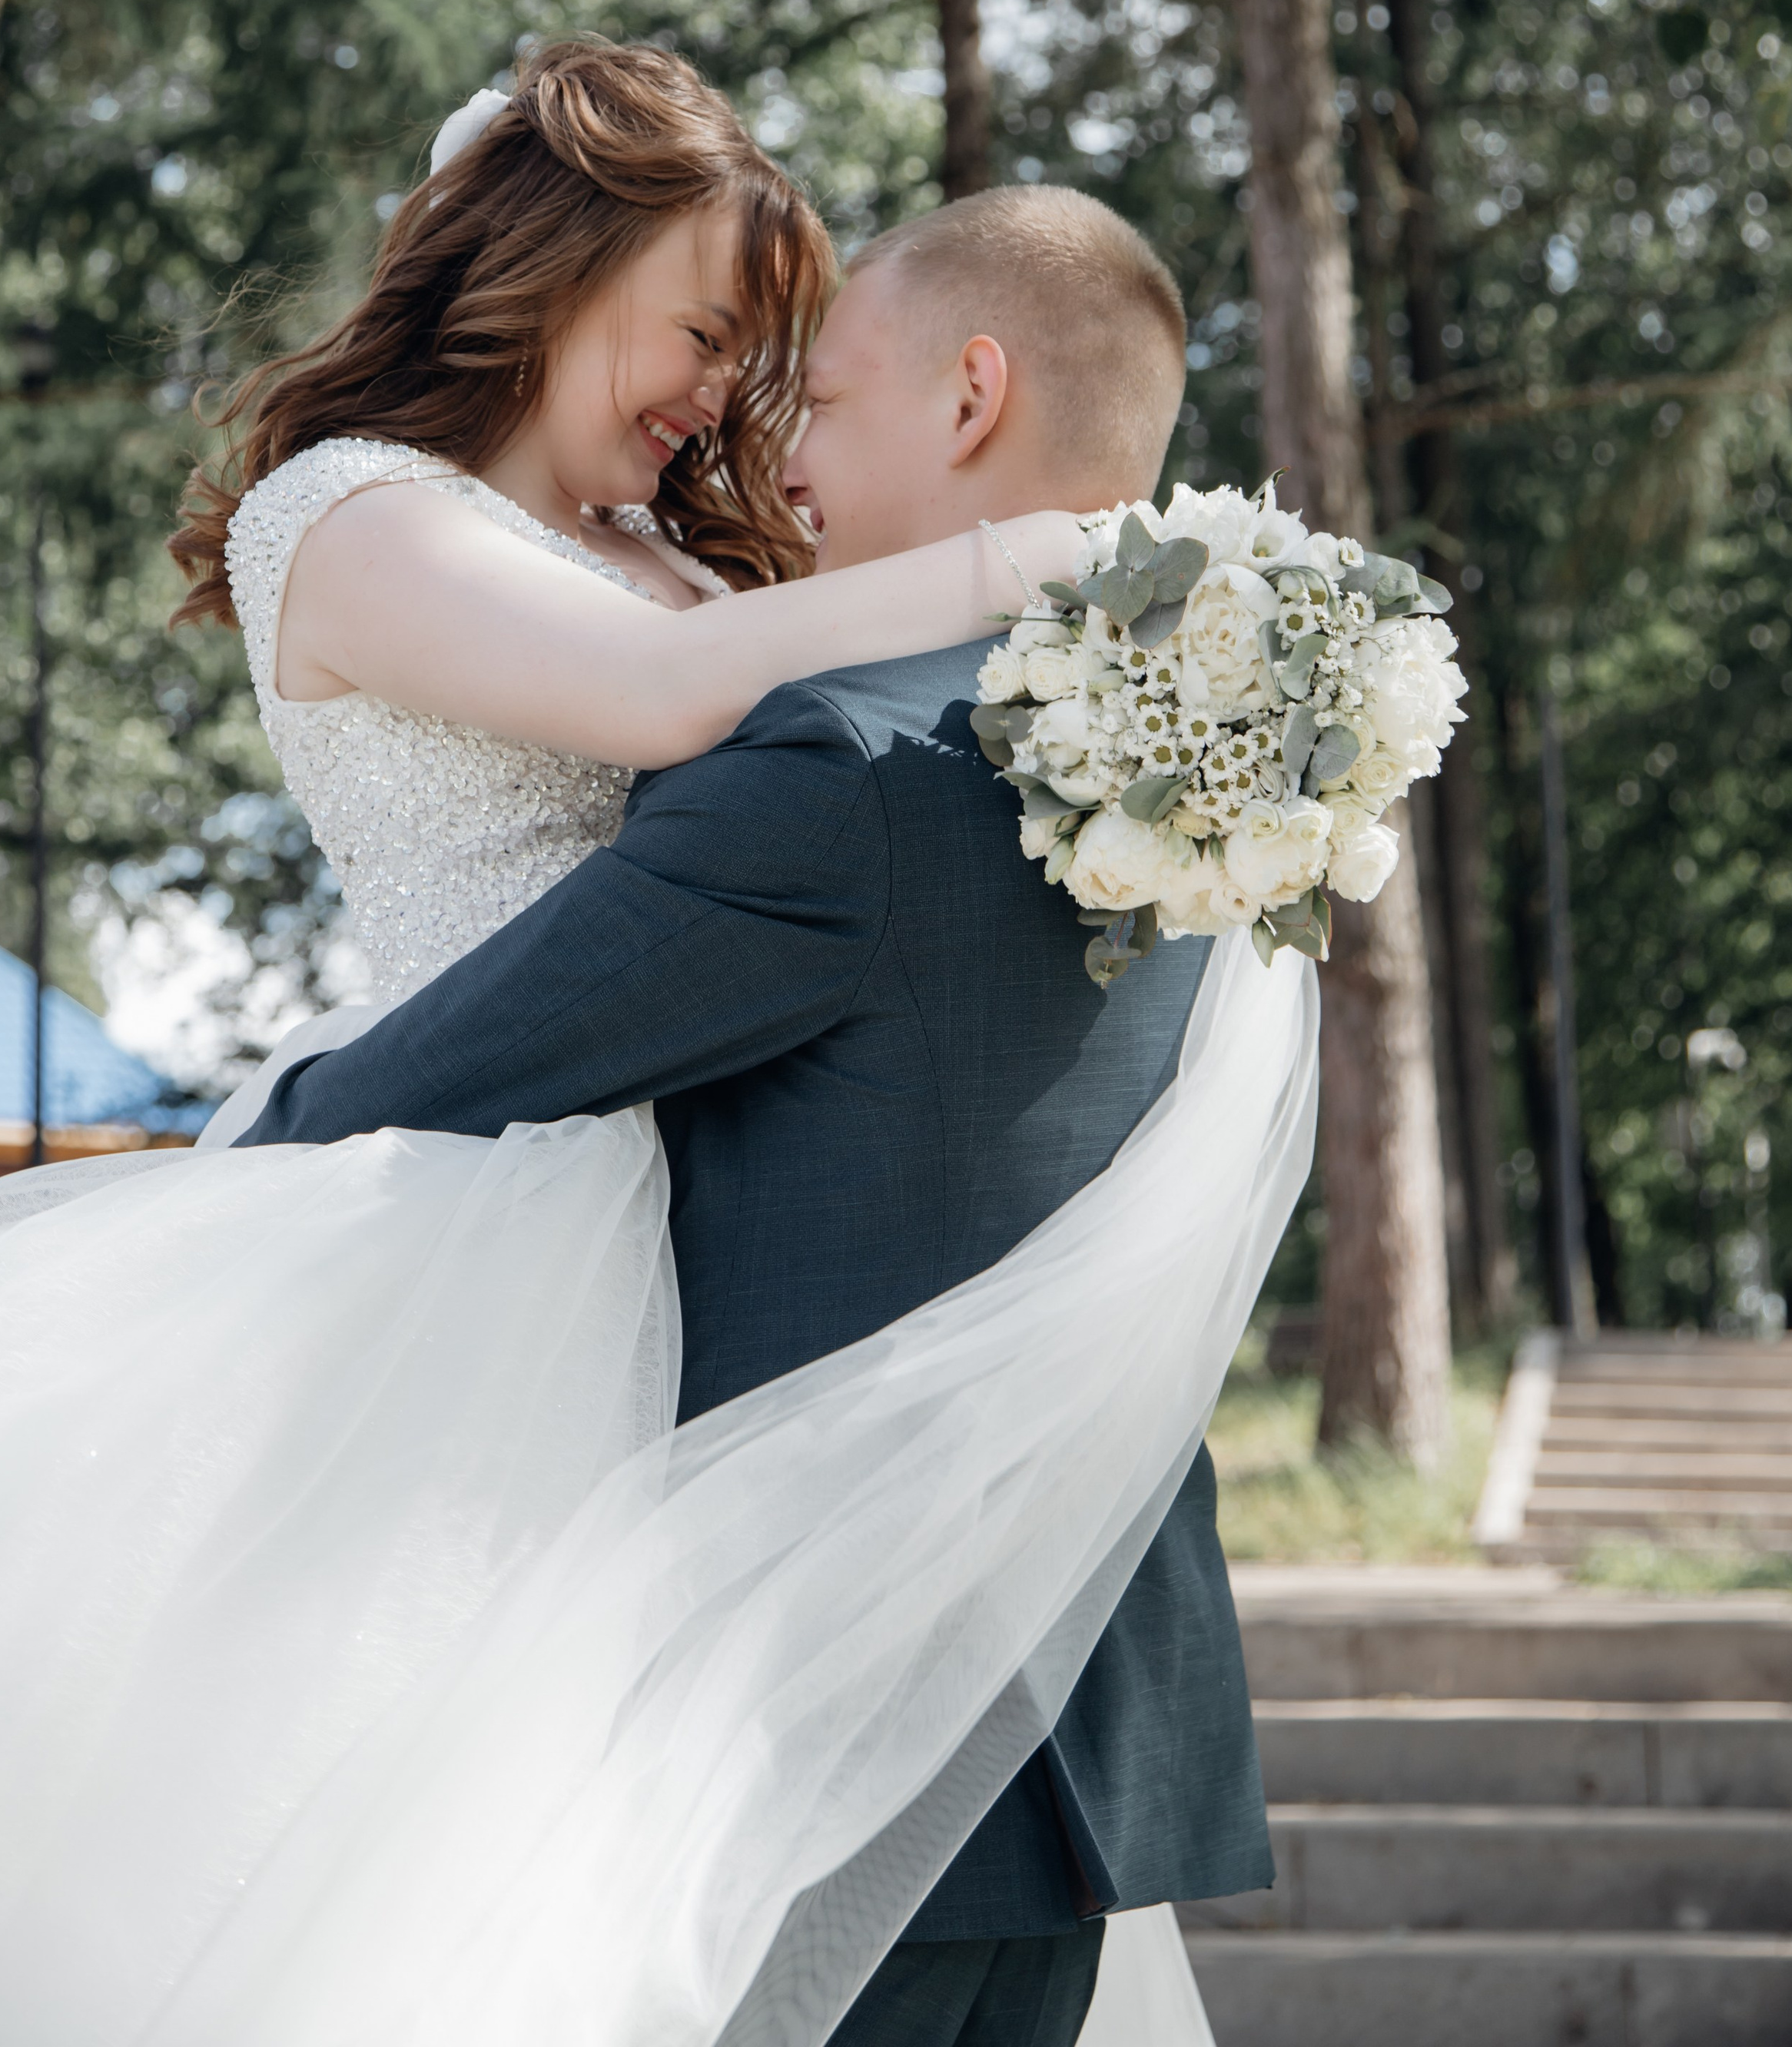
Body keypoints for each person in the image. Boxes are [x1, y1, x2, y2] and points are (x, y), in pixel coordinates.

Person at [0, 42, 1316, 2047]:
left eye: (762, 359)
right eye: (710, 327)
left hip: (674, 1222)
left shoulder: (704, 572)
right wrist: (1024, 557)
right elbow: (657, 703)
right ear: (555, 257)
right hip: (472, 1195)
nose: (726, 396)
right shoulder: (357, 512)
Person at [237, 181, 1289, 2047]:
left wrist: (218, 1158)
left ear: (970, 401)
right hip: (1082, 1722)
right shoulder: (1204, 763)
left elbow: (433, 1082)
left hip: (826, 1741)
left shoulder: (845, 767)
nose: (767, 441)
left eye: (818, 389)